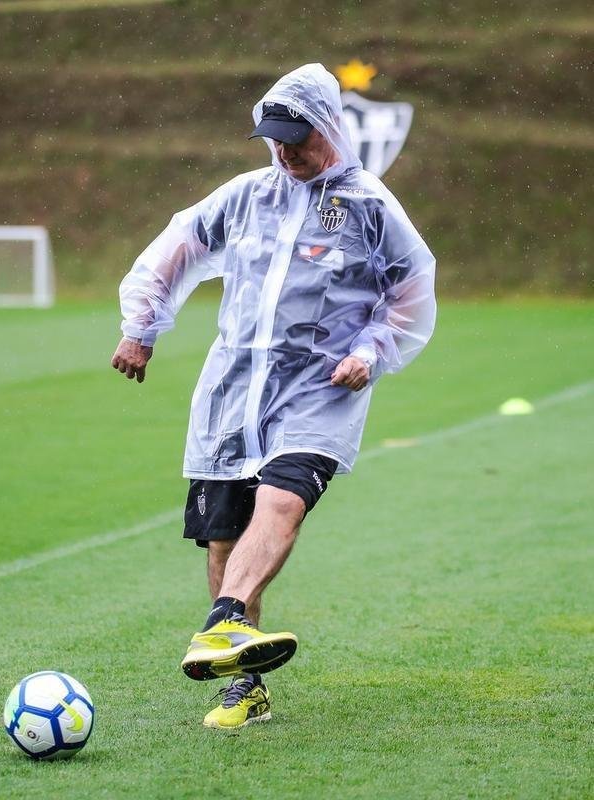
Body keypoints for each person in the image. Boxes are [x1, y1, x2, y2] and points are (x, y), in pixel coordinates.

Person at [111, 63, 436, 729]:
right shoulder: (244, 197)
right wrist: (140, 328)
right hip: (232, 391)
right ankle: (243, 686)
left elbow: (411, 287)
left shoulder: (367, 205)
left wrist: (369, 351)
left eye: (297, 137)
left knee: (283, 497)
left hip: (319, 391)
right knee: (224, 542)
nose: (285, 150)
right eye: (275, 138)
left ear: (327, 129)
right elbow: (173, 251)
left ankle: (223, 621)